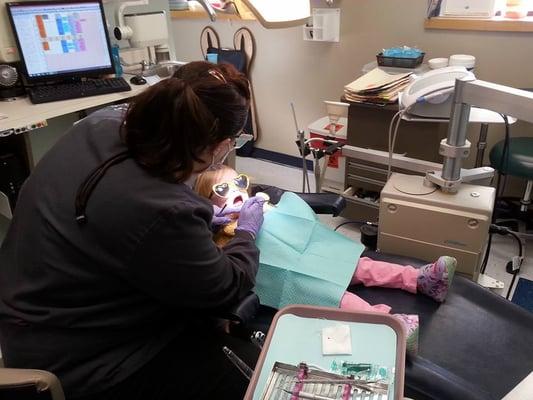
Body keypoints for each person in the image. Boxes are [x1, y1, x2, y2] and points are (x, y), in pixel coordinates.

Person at [0, 62, 266, 400]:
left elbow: (121, 221)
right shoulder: (164, 210)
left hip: (29, 325)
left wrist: (198, 223)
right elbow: (225, 288)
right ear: (219, 146)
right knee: (252, 376)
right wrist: (245, 233)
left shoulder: (100, 123)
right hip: (84, 364)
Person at [195, 166, 457, 354]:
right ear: (209, 203)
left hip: (315, 254)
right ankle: (393, 324)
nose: (236, 191)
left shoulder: (261, 207)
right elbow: (224, 275)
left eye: (239, 182)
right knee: (331, 294)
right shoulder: (216, 235)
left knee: (357, 265)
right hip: (289, 277)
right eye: (223, 189)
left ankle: (421, 278)